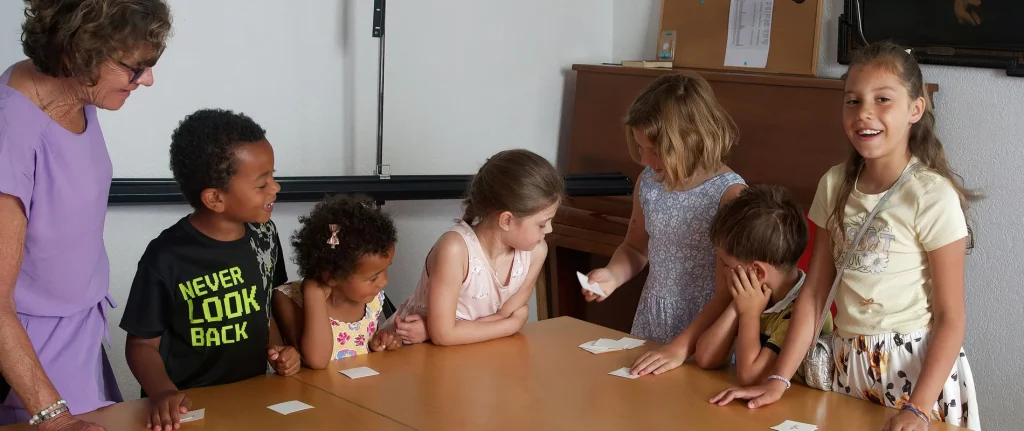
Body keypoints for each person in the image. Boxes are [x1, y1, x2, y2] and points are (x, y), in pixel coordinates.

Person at [710, 42, 981, 431]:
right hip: (848, 366)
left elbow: (951, 317)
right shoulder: (834, 184)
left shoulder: (931, 195)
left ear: (915, 109)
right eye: (853, 101)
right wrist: (779, 378)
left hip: (916, 376)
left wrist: (919, 409)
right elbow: (815, 293)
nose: (864, 112)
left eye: (882, 99)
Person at [0, 0, 172, 428]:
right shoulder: (12, 132)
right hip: (29, 361)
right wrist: (54, 417)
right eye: (135, 67)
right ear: (78, 52)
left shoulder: (79, 93)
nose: (147, 79)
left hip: (82, 340)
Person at [119, 109, 300, 431]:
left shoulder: (265, 237)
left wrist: (280, 352)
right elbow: (141, 345)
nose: (276, 188)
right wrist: (163, 393)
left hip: (251, 397)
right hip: (189, 408)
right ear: (215, 198)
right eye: (262, 184)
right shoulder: (166, 256)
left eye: (273, 176)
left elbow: (265, 308)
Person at [577, 72, 747, 374]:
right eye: (640, 148)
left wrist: (680, 347)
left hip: (705, 331)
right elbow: (634, 247)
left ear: (692, 140)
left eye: (655, 152)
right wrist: (612, 275)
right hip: (652, 317)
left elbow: (728, 293)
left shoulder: (729, 195)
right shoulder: (650, 182)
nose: (644, 160)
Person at [381, 149, 563, 346]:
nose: (549, 230)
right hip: (407, 347)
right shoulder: (454, 250)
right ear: (507, 220)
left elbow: (503, 314)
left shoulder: (536, 252)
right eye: (542, 224)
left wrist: (434, 330)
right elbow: (445, 336)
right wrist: (513, 325)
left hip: (471, 348)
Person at [691, 185, 833, 385]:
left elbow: (750, 377)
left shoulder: (800, 312)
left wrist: (749, 313)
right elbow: (706, 358)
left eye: (726, 264)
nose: (724, 271)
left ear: (757, 272)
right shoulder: (754, 294)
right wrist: (737, 306)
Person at [272, 194, 402, 369]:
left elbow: (360, 352)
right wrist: (314, 294)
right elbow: (317, 361)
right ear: (332, 277)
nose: (384, 282)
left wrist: (378, 343)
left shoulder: (372, 301)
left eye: (386, 269)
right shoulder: (290, 298)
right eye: (373, 278)